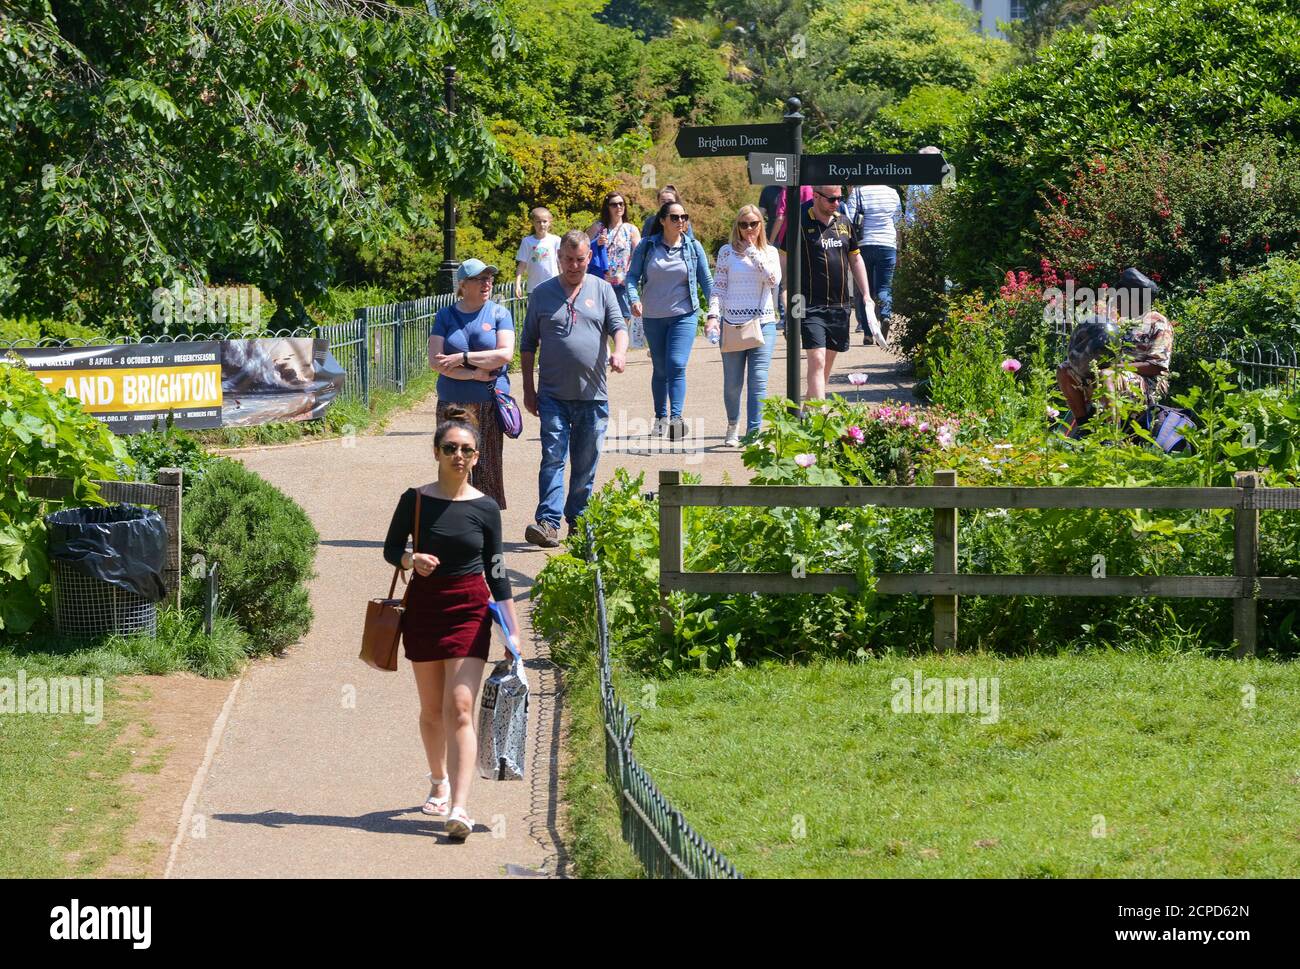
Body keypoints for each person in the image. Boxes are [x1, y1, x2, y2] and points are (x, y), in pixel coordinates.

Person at [383, 407, 521, 842]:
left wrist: (512, 634)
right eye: (450, 448)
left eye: (466, 450)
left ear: (477, 457)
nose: (458, 456)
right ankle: (438, 780)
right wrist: (412, 559)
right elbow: (391, 549)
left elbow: (497, 570)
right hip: (424, 608)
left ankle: (460, 807)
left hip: (470, 609)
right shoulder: (415, 499)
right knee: (430, 711)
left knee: (459, 707)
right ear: (436, 453)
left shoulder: (484, 508)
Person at [520, 230, 628, 548]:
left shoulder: (603, 289)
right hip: (552, 395)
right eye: (568, 259)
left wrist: (619, 352)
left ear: (588, 258)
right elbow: (528, 345)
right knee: (552, 458)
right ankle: (548, 523)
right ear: (559, 258)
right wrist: (528, 389)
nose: (573, 265)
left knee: (585, 463)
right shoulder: (542, 294)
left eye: (580, 259)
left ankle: (578, 522)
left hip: (593, 396)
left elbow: (619, 328)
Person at [779, 185, 880, 401]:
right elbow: (784, 258)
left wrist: (866, 294)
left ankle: (811, 405)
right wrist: (784, 290)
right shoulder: (799, 223)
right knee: (817, 360)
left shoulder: (844, 222)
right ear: (816, 196)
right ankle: (820, 418)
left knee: (827, 364)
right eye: (832, 199)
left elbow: (855, 258)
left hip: (840, 304)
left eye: (839, 198)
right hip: (809, 304)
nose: (837, 203)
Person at [429, 258, 514, 508]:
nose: (487, 283)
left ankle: (483, 522)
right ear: (463, 285)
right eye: (480, 279)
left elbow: (504, 354)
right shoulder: (446, 315)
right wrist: (473, 374)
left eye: (489, 278)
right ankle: (451, 519)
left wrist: (461, 358)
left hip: (488, 401)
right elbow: (436, 362)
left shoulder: (500, 313)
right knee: (453, 461)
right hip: (452, 402)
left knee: (487, 465)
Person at [627, 201, 714, 440]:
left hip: (684, 315)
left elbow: (706, 281)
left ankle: (676, 418)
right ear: (663, 220)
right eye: (674, 217)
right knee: (660, 368)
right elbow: (632, 277)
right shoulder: (647, 246)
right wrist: (634, 299)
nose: (680, 221)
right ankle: (660, 417)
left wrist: (715, 312)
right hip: (653, 316)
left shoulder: (693, 247)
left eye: (683, 217)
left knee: (676, 363)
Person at [1057, 267, 1174, 427]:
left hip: (1146, 384)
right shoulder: (1119, 321)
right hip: (1111, 373)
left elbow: (1157, 367)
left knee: (1106, 374)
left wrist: (1116, 367)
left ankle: (1111, 436)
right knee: (1065, 370)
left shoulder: (1158, 323)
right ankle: (1083, 425)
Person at [706, 204, 781, 446]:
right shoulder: (727, 252)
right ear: (736, 226)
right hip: (733, 324)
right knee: (732, 383)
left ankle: (754, 433)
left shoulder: (769, 252)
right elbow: (718, 287)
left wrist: (752, 252)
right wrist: (712, 317)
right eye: (743, 224)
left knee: (758, 380)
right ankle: (732, 424)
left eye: (753, 223)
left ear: (761, 225)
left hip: (763, 322)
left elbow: (772, 280)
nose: (748, 228)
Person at [842, 181, 901, 347]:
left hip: (863, 245)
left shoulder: (858, 193)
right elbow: (899, 222)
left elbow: (848, 222)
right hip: (888, 244)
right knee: (884, 287)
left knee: (864, 290)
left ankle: (868, 333)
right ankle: (885, 314)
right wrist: (900, 246)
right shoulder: (892, 193)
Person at [587, 192, 642, 329]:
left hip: (622, 281)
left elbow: (639, 255)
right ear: (607, 207)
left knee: (623, 319)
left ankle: (620, 348)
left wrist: (632, 275)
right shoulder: (598, 227)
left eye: (621, 204)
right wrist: (596, 242)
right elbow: (582, 247)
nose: (618, 207)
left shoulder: (631, 229)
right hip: (601, 280)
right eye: (614, 204)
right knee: (600, 319)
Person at [515, 207, 561, 298]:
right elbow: (521, 265)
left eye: (544, 221)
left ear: (550, 222)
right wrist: (517, 285)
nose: (542, 224)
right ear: (533, 223)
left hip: (553, 286)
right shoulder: (527, 241)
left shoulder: (556, 240)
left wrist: (565, 284)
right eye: (538, 222)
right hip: (533, 289)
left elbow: (561, 264)